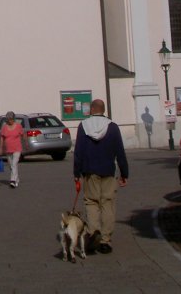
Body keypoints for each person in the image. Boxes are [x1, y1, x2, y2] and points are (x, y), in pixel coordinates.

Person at [73, 99, 128, 253]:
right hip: (109, 171)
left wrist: (76, 173)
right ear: (103, 110)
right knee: (107, 203)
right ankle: (105, 240)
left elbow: (78, 152)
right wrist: (124, 173)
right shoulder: (112, 127)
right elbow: (120, 152)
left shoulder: (83, 126)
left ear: (91, 109)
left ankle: (93, 231)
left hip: (90, 171)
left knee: (91, 202)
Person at [0, 111, 24, 189]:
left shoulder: (18, 126)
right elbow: (2, 138)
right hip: (8, 149)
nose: (10, 121)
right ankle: (16, 179)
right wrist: (0, 148)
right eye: (8, 119)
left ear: (14, 119)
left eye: (11, 119)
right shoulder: (4, 127)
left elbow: (23, 135)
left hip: (17, 148)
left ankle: (12, 181)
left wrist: (25, 144)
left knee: (14, 164)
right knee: (11, 166)